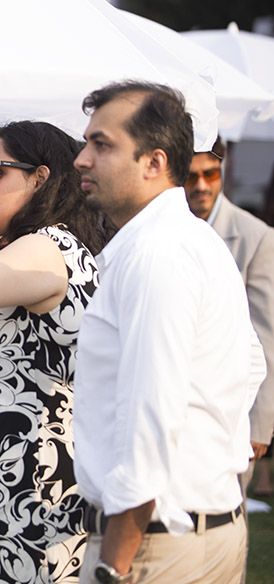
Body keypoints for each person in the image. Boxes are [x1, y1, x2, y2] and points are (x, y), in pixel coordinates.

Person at [73, 81, 262, 584]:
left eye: (101, 144)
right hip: (194, 529)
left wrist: (115, 561)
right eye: (86, 141)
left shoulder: (158, 253)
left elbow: (149, 414)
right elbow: (251, 365)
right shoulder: (189, 240)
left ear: (154, 163)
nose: (81, 159)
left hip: (153, 544)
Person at [0, 120, 111, 583]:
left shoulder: (48, 246)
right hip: (8, 485)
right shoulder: (30, 247)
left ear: (40, 178)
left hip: (34, 491)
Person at [184, 136, 274, 489]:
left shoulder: (256, 237)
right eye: (192, 176)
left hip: (235, 411)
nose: (202, 185)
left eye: (211, 174)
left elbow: (266, 334)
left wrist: (260, 422)